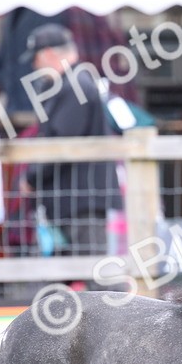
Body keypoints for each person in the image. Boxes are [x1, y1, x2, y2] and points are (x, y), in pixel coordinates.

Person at [19, 24, 121, 256]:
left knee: (95, 276)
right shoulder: (73, 83)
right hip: (76, 198)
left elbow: (61, 144)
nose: (34, 66)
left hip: (81, 201)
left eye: (35, 59)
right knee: (77, 273)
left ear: (48, 55)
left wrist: (32, 177)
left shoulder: (75, 85)